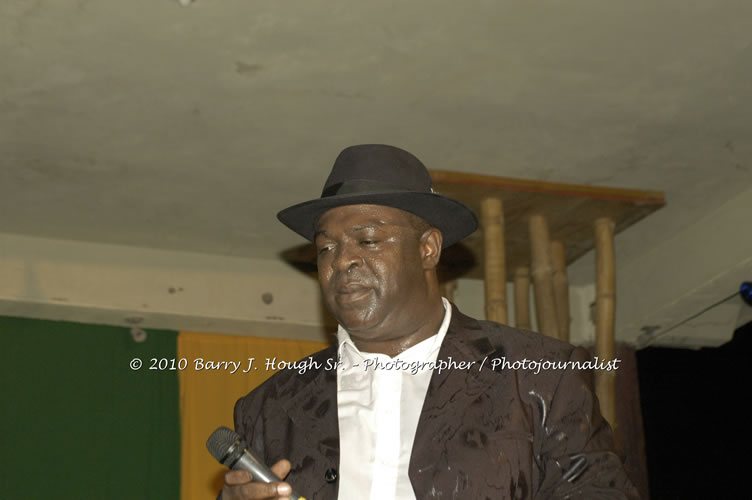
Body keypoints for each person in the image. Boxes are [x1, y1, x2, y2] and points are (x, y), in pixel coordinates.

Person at [220, 144, 638, 499]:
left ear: (428, 249)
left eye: (367, 240)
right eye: (326, 248)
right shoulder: (269, 407)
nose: (342, 261)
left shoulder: (540, 376)